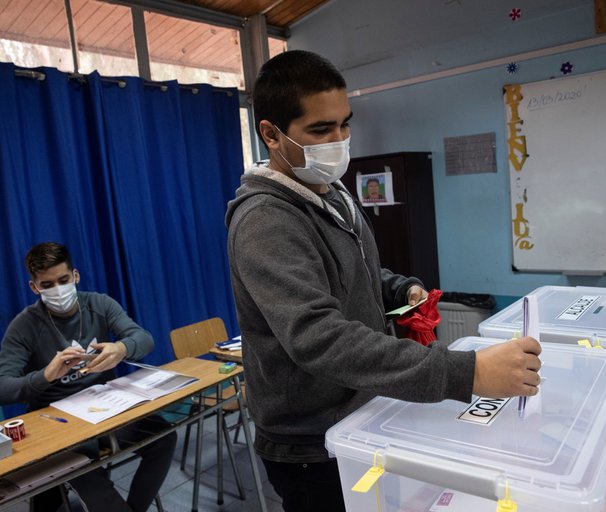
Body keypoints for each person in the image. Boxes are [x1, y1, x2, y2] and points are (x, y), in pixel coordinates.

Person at [225, 50, 541, 511]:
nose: (339, 140)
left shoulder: (331, 193)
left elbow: (354, 272)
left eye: (344, 124)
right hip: (313, 443)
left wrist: (397, 288)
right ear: (271, 134)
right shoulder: (265, 221)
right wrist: (466, 374)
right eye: (320, 130)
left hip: (362, 411)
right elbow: (319, 337)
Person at [0, 242, 177, 512]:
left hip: (105, 409)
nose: (58, 290)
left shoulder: (99, 304)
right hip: (58, 422)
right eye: (47, 284)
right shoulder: (24, 325)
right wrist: (46, 375)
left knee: (163, 437)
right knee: (80, 462)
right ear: (35, 287)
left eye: (63, 280)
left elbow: (143, 339)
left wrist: (121, 348)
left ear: (75, 276)